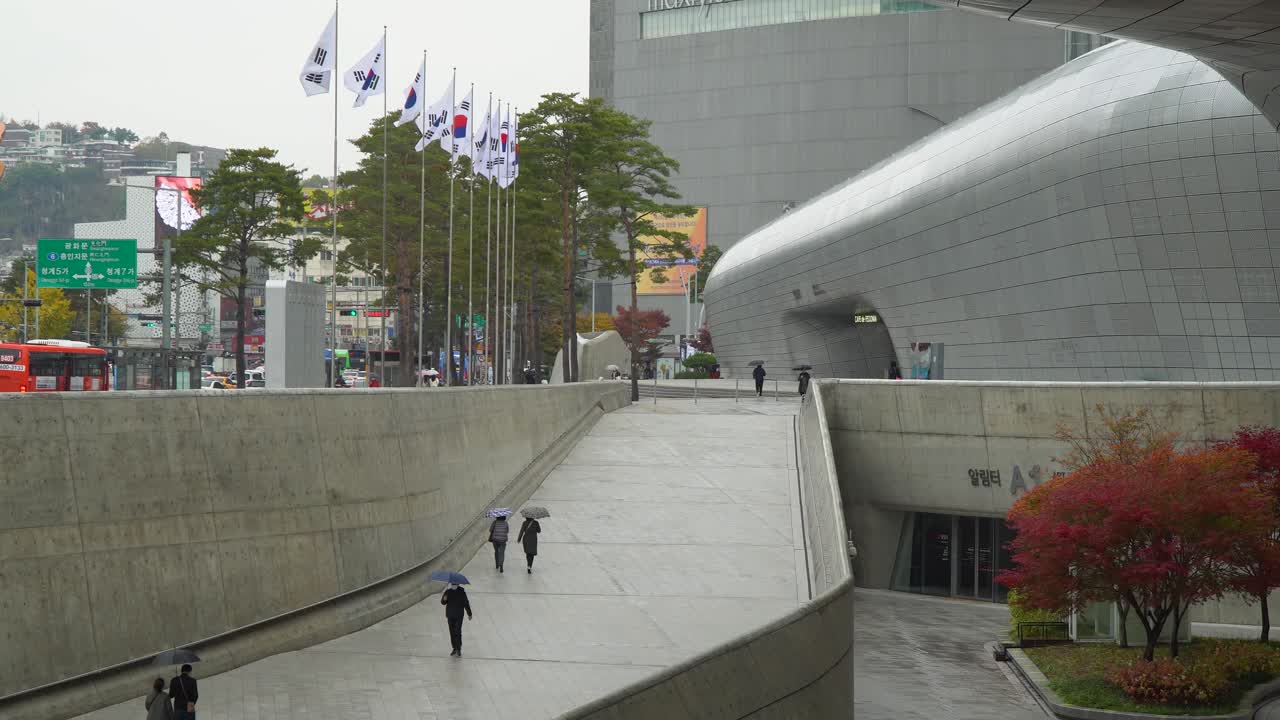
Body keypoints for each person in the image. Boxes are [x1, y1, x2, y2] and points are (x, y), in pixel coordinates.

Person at [440, 584, 474, 657]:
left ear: (458, 584)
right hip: (450, 615)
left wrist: (469, 613)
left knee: (457, 631)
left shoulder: (462, 592)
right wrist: (444, 599)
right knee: (452, 632)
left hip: (459, 615)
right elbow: (443, 603)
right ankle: (454, 648)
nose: (453, 585)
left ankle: (458, 649)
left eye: (455, 584)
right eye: (452, 584)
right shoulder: (448, 592)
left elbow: (466, 603)